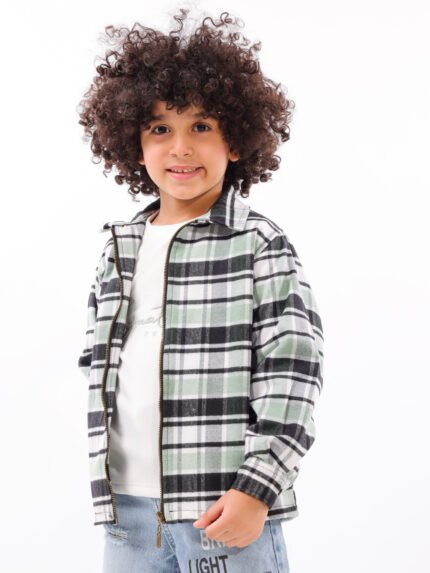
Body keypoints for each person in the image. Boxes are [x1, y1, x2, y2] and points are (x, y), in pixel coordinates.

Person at [77, 8, 324, 573]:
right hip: (126, 514)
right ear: (134, 143)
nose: (181, 147)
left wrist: (257, 487)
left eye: (202, 127)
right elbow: (97, 365)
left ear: (236, 140)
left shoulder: (258, 243)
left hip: (223, 511)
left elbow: (294, 369)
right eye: (160, 129)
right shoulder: (118, 248)